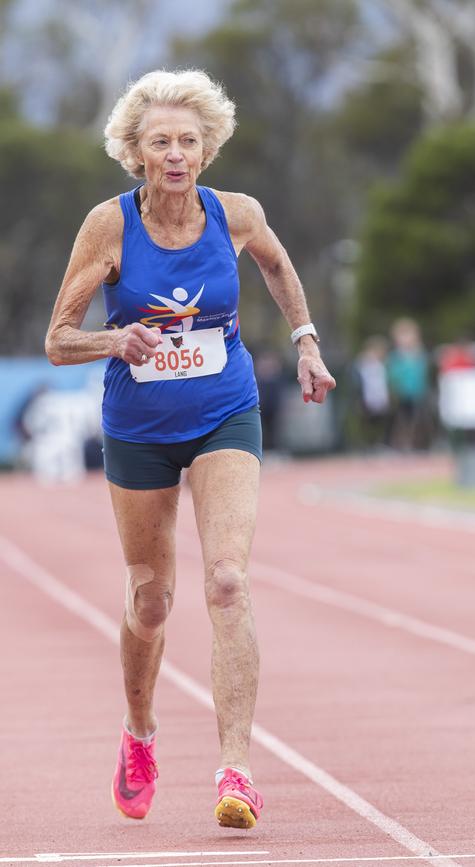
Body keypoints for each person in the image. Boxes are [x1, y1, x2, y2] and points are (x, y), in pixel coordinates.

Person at [45, 69, 335, 828]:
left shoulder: (236, 214)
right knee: (152, 599)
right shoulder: (108, 227)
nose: (176, 154)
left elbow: (274, 260)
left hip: (223, 412)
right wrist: (116, 338)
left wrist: (305, 339)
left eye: (188, 142)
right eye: (160, 143)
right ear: (136, 154)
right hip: (138, 425)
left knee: (229, 581)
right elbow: (56, 340)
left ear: (207, 151)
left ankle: (235, 768)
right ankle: (139, 730)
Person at [386, 317, 430, 450]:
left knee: (418, 419)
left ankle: (418, 443)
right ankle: (400, 443)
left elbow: (422, 374)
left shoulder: (419, 354)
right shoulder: (395, 357)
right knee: (401, 420)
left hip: (417, 393)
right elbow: (392, 374)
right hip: (401, 394)